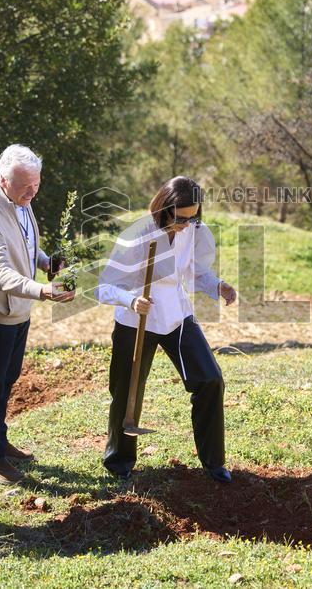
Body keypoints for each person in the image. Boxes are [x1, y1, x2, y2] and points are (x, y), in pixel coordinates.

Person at [97, 176, 237, 483]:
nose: (187, 225)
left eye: (193, 217)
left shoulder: (194, 230)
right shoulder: (136, 235)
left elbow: (195, 272)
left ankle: (213, 463)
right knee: (126, 390)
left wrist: (217, 285)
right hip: (136, 319)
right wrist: (131, 300)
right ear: (164, 209)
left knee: (210, 379)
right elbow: (104, 287)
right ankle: (119, 461)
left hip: (176, 314)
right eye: (181, 219)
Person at [0, 145, 74, 485]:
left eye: (36, 184)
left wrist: (45, 262)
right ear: (3, 180)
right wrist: (43, 290)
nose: (32, 192)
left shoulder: (21, 198)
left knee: (7, 378)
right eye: (26, 185)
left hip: (20, 310)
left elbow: (25, 243)